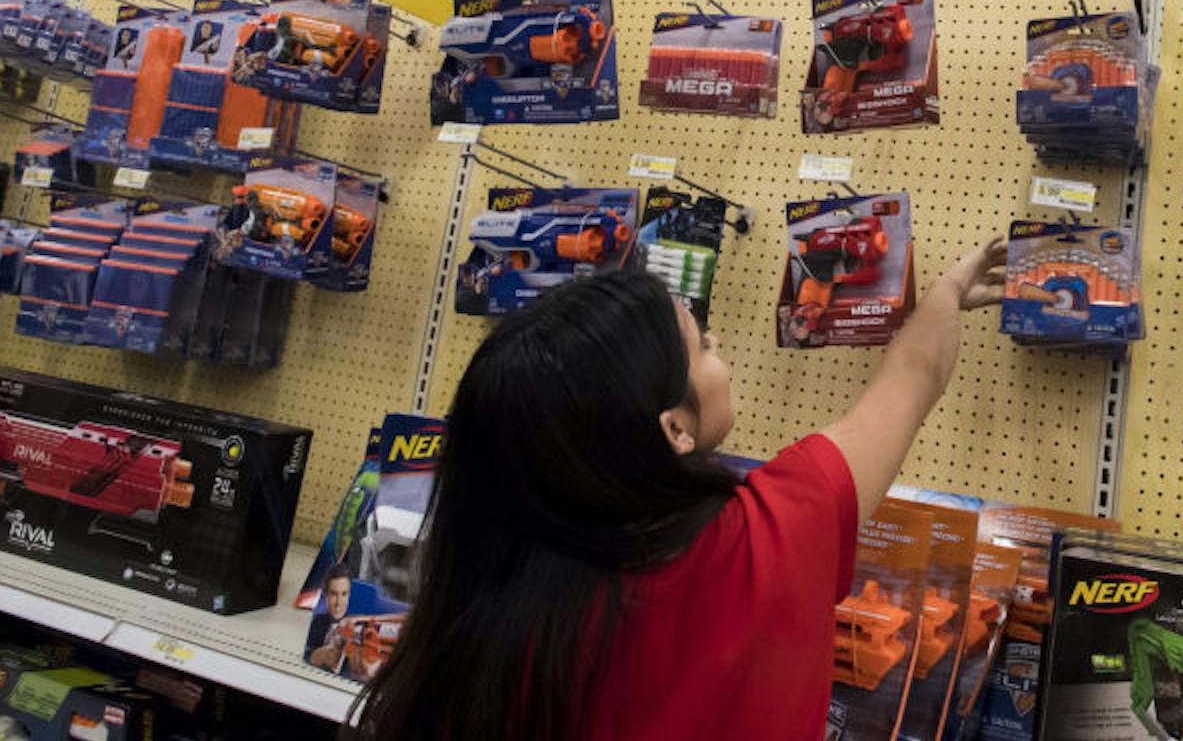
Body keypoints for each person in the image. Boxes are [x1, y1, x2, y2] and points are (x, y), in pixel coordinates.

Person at [348, 238, 1006, 741]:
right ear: (674, 427)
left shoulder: (484, 613)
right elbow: (912, 378)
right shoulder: (773, 533)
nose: (720, 348)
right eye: (703, 346)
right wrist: (946, 291)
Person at [305, 566, 354, 675]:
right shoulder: (316, 622)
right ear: (325, 596)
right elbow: (304, 655)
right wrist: (315, 657)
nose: (339, 602)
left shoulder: (356, 627)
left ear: (349, 595)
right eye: (333, 594)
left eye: (344, 594)